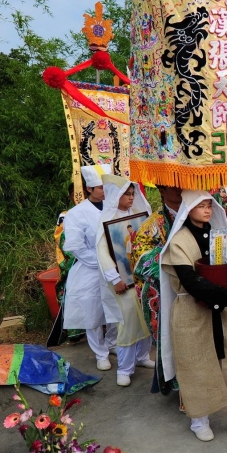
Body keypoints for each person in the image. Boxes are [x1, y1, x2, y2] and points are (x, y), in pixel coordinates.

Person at [160, 190, 227, 441]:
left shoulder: (218, 235)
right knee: (196, 366)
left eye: (209, 206)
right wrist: (226, 294)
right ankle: (199, 420)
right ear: (188, 209)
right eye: (201, 206)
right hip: (192, 314)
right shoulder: (180, 241)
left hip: (220, 310)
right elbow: (190, 280)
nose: (207, 210)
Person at [96, 175, 154, 387]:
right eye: (126, 194)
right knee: (128, 320)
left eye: (132, 194)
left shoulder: (139, 216)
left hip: (141, 277)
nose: (131, 198)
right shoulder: (106, 220)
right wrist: (115, 278)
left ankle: (142, 356)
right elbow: (103, 252)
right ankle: (124, 367)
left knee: (146, 314)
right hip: (122, 281)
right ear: (115, 196)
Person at [62, 165, 119, 371]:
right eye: (99, 187)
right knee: (92, 313)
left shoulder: (115, 206)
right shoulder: (77, 213)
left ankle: (112, 343)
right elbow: (76, 245)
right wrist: (100, 261)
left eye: (106, 186)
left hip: (116, 267)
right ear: (88, 189)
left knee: (115, 308)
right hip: (91, 269)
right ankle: (100, 353)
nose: (104, 190)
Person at [131, 184, 182, 395]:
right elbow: (140, 259)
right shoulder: (152, 225)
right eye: (174, 187)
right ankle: (179, 387)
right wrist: (176, 257)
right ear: (161, 190)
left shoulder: (196, 215)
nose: (180, 190)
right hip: (166, 290)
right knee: (174, 338)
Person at [49, 183, 84, 345]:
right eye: (74, 193)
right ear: (70, 196)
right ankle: (75, 331)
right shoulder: (65, 215)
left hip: (91, 259)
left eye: (80, 192)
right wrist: (76, 255)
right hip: (72, 259)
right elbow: (60, 237)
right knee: (72, 292)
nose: (77, 196)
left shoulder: (97, 210)